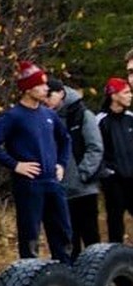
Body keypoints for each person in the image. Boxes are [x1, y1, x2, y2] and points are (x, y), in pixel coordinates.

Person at [0, 60, 72, 262]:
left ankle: (66, 276)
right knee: (30, 235)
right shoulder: (14, 116)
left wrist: (61, 164)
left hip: (52, 182)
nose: (46, 88)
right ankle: (29, 277)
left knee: (63, 233)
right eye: (41, 84)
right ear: (28, 89)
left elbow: (65, 140)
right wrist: (15, 165)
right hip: (29, 185)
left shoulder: (49, 114)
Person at [44, 76, 104, 258]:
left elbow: (95, 147)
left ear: (61, 94)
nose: (45, 99)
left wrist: (82, 174)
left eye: (49, 95)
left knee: (91, 241)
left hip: (84, 190)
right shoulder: (46, 117)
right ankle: (73, 283)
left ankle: (99, 283)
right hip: (59, 190)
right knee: (68, 242)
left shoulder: (82, 114)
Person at [97, 76, 133, 243]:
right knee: (115, 222)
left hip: (132, 178)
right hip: (114, 181)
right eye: (126, 92)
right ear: (114, 95)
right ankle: (117, 263)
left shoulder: (130, 117)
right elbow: (96, 150)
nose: (130, 95)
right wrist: (107, 172)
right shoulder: (100, 121)